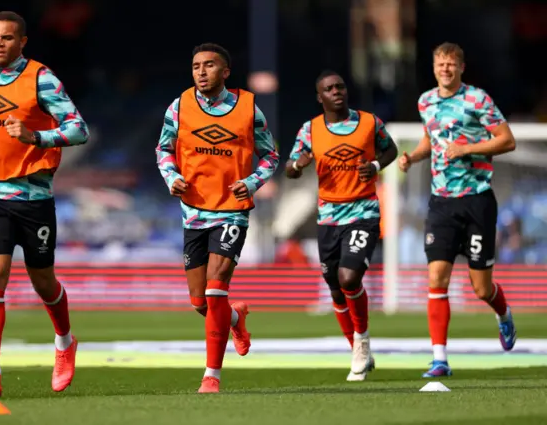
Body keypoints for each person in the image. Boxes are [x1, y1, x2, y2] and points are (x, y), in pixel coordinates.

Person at [0, 11, 89, 397]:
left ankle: (64, 342)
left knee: (42, 281)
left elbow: (79, 129)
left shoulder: (42, 79)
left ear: (22, 42)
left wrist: (36, 137)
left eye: (8, 38)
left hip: (33, 197)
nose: (0, 44)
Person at [156, 43, 279, 393]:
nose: (201, 71)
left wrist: (251, 182)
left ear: (225, 72)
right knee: (201, 302)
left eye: (209, 65)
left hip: (232, 211)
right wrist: (171, 178)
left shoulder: (248, 107)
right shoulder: (179, 106)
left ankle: (212, 375)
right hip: (193, 212)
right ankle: (236, 318)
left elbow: (270, 155)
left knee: (215, 288)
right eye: (196, 66)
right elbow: (163, 149)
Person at [398, 42, 517, 378]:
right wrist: (413, 156)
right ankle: (439, 359)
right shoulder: (426, 101)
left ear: (461, 68)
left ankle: (504, 314)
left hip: (478, 200)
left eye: (451, 64)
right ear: (434, 67)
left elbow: (508, 140)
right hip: (441, 203)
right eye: (440, 64)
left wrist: (468, 148)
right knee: (437, 277)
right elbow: (431, 139)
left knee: (481, 288)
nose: (445, 69)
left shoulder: (478, 99)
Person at [285, 70, 398, 381]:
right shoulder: (310, 130)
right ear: (319, 97)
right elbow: (289, 170)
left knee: (349, 278)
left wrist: (375, 165)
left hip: (363, 212)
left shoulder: (369, 122)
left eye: (340, 86)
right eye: (329, 89)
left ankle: (361, 342)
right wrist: (298, 165)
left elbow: (391, 149)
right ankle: (358, 351)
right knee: (336, 290)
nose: (336, 91)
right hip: (328, 217)